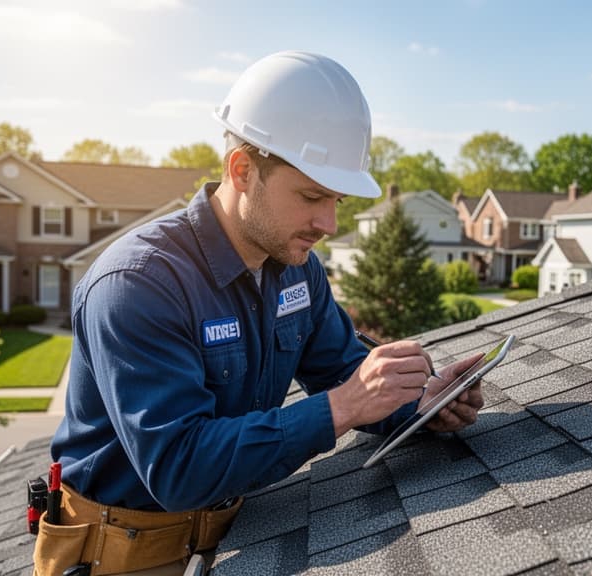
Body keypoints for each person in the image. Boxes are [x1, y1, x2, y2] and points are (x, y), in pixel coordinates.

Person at [33, 51, 485, 576]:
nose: (329, 222)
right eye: (312, 196)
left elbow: (343, 372)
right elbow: (179, 466)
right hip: (124, 553)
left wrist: (419, 403)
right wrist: (343, 405)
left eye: (336, 199)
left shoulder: (295, 269)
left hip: (236, 528)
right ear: (243, 170)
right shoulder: (138, 285)